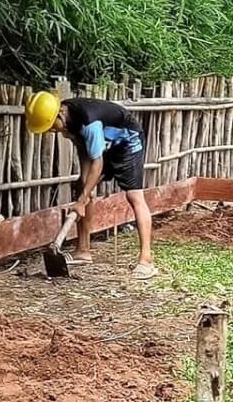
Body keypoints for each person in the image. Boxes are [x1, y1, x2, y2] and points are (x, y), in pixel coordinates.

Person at [25, 90, 158, 278]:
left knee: (134, 196)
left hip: (127, 142)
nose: (51, 130)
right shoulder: (68, 121)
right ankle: (83, 251)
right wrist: (85, 188)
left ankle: (146, 259)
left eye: (51, 126)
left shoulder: (89, 121)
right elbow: (83, 150)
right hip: (104, 146)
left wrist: (82, 200)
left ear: (59, 113)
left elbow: (98, 162)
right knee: (83, 189)